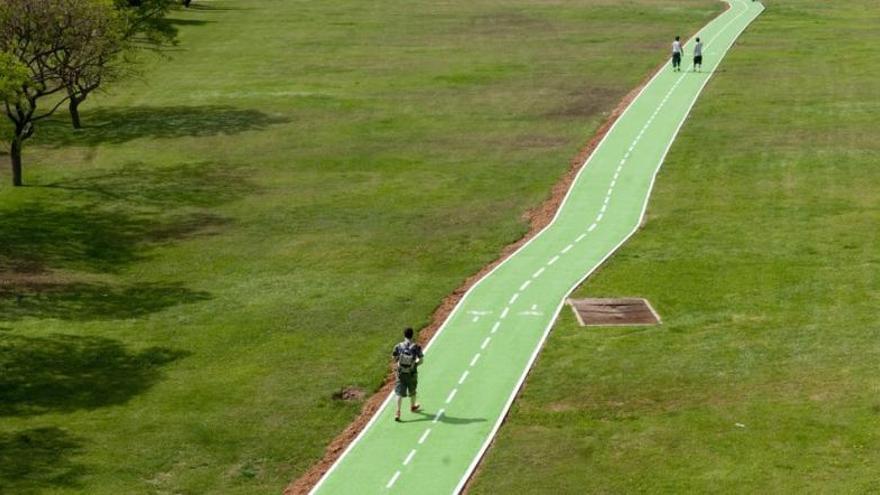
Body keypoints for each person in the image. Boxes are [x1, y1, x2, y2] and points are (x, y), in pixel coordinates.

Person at [392, 327, 423, 422]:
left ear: (404, 335)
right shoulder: (416, 347)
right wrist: (415, 364)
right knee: (412, 391)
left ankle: (398, 412)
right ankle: (413, 406)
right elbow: (421, 360)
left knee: (399, 393)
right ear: (412, 335)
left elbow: (394, 358)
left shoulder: (398, 346)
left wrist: (399, 364)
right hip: (412, 373)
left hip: (400, 374)